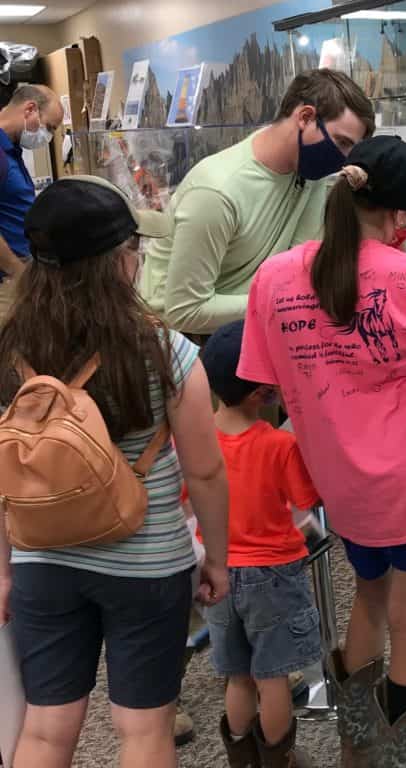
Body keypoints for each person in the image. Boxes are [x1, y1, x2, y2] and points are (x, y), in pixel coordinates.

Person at [238, 135, 406, 768]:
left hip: (340, 482)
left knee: (369, 597)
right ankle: (395, 761)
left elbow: (266, 377)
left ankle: (355, 749)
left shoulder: (275, 277)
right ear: (401, 217)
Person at [0, 175, 229, 768]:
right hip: (148, 562)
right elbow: (204, 472)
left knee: (46, 729)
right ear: (117, 261)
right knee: (144, 730)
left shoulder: (8, 350)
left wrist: (3, 572)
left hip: (41, 559)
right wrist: (218, 558)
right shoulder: (162, 349)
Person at [140, 68, 375, 336]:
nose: (342, 157)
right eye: (341, 142)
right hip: (179, 340)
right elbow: (184, 311)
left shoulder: (310, 173)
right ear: (305, 117)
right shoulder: (216, 192)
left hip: (250, 321)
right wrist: (285, 302)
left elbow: (299, 265)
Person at [197, 320, 322, 768]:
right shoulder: (277, 445)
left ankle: (242, 759)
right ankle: (279, 761)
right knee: (273, 678)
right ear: (258, 391)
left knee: (237, 675)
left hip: (216, 572)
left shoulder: (195, 440)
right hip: (272, 574)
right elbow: (307, 500)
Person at [0, 84, 63, 320]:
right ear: (30, 110)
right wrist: (18, 273)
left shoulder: (10, 150)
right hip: (7, 283)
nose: (47, 137)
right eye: (49, 128)